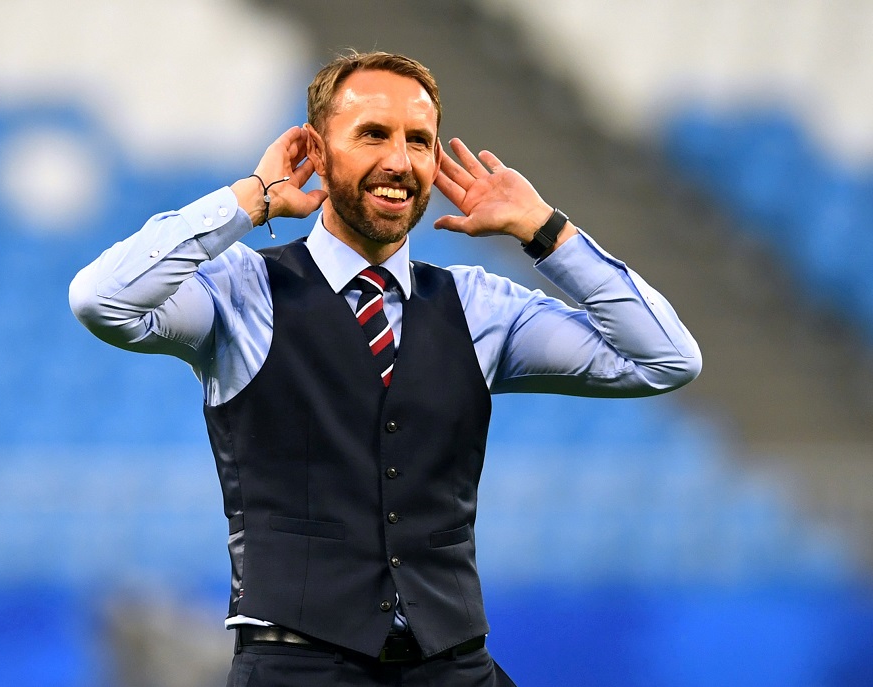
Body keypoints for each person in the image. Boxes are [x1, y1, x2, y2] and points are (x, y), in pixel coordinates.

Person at [70, 50, 701, 687]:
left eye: (418, 141)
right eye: (372, 134)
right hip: (297, 669)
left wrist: (544, 229)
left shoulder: (478, 304)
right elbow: (102, 299)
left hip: (453, 667)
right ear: (315, 150)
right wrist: (248, 201)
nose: (399, 161)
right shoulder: (241, 292)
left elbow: (666, 358)